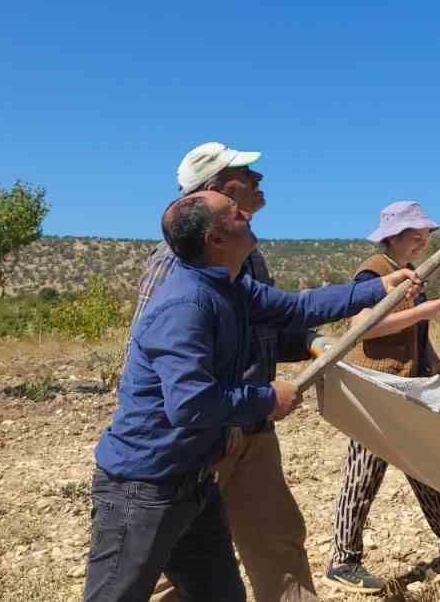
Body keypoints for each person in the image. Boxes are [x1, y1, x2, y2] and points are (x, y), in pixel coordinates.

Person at [83, 191, 423, 602]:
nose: (245, 213)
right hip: (145, 486)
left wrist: (378, 288)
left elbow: (299, 308)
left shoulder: (231, 287)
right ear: (216, 239)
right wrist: (266, 398)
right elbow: (190, 404)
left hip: (194, 479)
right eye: (234, 213)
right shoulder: (185, 304)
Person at [128, 142, 325, 602]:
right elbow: (151, 356)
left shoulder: (246, 255)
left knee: (278, 544)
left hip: (253, 428)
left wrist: (318, 343)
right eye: (245, 174)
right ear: (216, 190)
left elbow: (280, 319)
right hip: (202, 437)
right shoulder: (174, 265)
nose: (258, 181)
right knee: (176, 561)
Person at [324, 201, 440, 592]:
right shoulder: (373, 272)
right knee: (363, 473)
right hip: (375, 387)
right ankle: (342, 560)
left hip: (404, 385)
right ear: (392, 236)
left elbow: (412, 334)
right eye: (415, 236)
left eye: (425, 236)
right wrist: (422, 312)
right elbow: (364, 329)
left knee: (424, 463)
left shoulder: (409, 274)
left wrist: (433, 358)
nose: (422, 242)